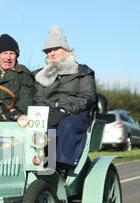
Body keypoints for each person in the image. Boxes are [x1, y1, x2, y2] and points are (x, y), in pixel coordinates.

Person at [33, 25, 97, 173]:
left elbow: (88, 96)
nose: (52, 52)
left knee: (66, 126)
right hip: (50, 113)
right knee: (39, 130)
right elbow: (38, 98)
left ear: (66, 49)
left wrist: (64, 110)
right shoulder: (40, 75)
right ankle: (39, 165)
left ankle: (61, 166)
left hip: (76, 113)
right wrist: (47, 113)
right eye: (48, 50)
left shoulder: (82, 72)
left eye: (55, 48)